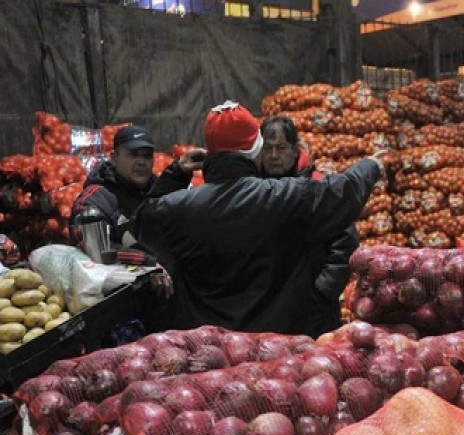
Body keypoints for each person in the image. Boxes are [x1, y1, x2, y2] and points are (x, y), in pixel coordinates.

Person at [130, 101, 383, 334]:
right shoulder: (287, 196)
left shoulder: (177, 209)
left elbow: (142, 222)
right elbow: (344, 191)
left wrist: (175, 173)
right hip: (278, 341)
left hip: (210, 346)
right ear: (256, 149)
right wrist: (371, 165)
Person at [69, 125, 205, 298]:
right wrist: (146, 263)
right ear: (114, 157)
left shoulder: (154, 191)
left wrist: (179, 171)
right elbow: (97, 250)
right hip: (116, 300)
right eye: (133, 155)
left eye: (147, 156)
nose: (141, 162)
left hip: (164, 297)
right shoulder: (95, 199)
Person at [258, 115, 358, 337]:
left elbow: (345, 243)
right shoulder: (253, 189)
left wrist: (322, 291)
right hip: (266, 310)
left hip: (313, 311)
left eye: (281, 148)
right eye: (268, 148)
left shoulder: (319, 185)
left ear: (295, 150)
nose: (274, 156)